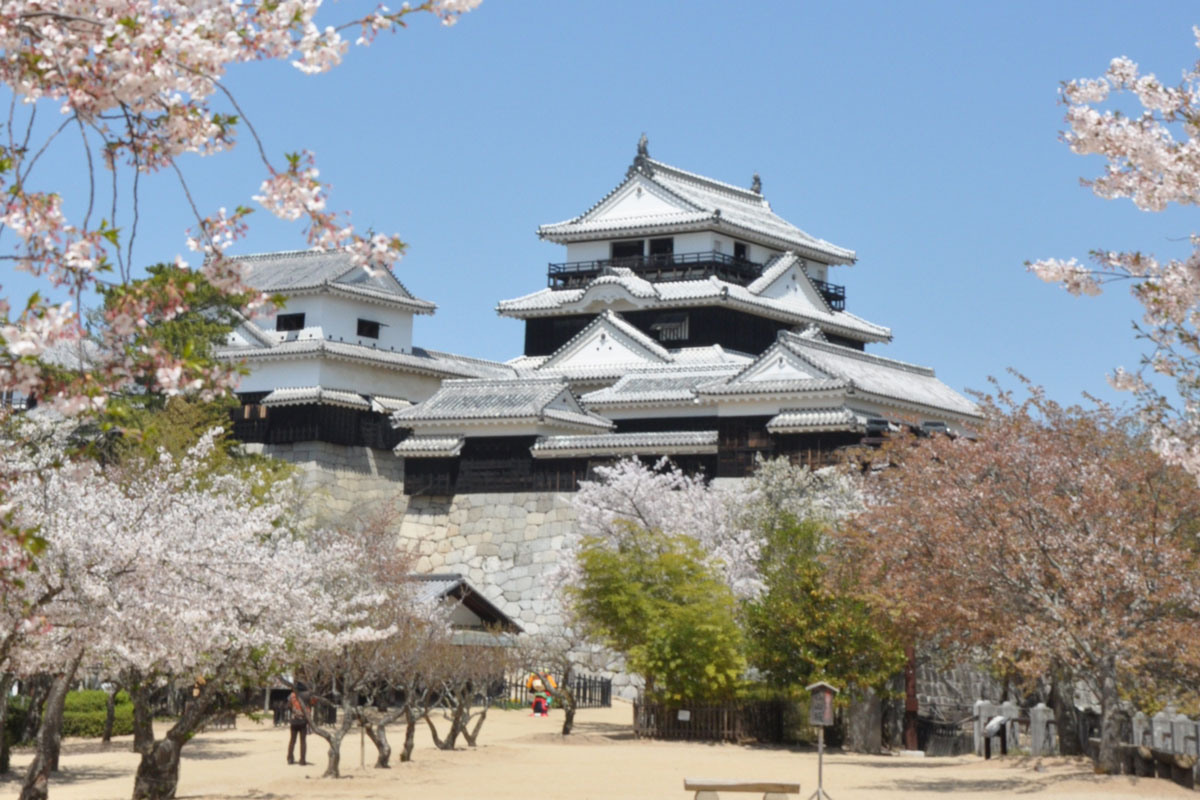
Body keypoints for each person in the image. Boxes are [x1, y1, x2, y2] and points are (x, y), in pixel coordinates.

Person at [287, 683, 313, 765]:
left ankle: (290, 758)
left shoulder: (292, 695)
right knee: (303, 741)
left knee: (292, 740)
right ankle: (302, 760)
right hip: (303, 721)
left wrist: (294, 712)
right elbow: (312, 703)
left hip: (294, 720)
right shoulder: (307, 695)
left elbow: (288, 706)